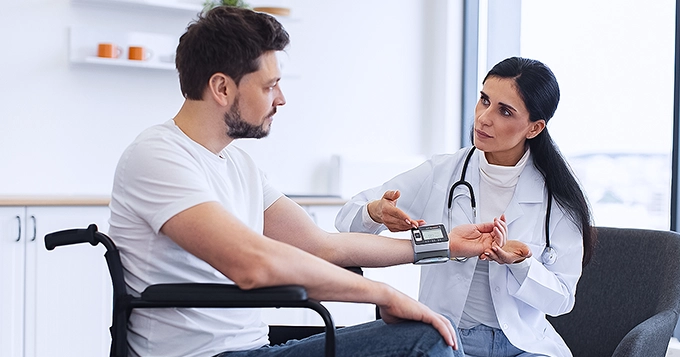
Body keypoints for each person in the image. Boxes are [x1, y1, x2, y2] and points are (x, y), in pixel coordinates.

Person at [107, 6, 508, 357]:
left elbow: (322, 246)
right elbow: (253, 264)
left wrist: (444, 244)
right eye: (269, 86)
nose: (280, 99)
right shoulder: (158, 156)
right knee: (428, 341)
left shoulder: (237, 164)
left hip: (255, 347)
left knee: (428, 333)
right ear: (222, 87)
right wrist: (386, 294)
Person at [335, 57, 596, 357]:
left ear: (534, 128)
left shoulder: (558, 199)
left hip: (523, 346)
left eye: (504, 111)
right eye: (484, 100)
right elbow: (346, 220)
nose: (484, 118)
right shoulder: (441, 173)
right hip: (448, 340)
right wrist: (375, 212)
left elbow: (562, 302)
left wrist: (522, 265)